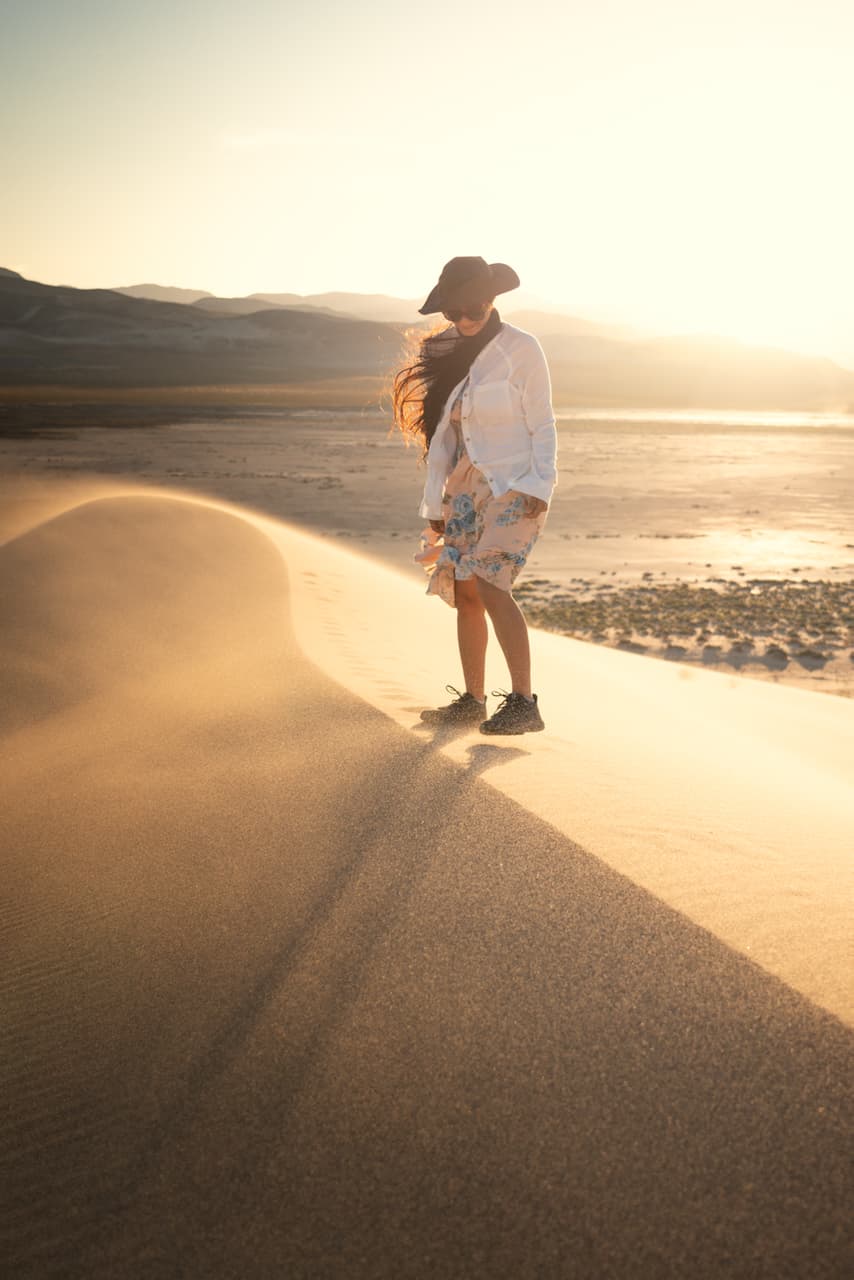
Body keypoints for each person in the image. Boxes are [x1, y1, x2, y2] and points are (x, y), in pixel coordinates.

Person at [391, 256, 558, 734]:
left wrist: (540, 485)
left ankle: (525, 702)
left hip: (515, 485)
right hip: (462, 488)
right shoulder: (444, 349)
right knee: (465, 591)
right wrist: (436, 506)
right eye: (454, 312)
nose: (464, 320)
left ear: (492, 302)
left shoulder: (522, 349)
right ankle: (472, 700)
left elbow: (542, 423)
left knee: (489, 580)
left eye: (474, 309)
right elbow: (441, 436)